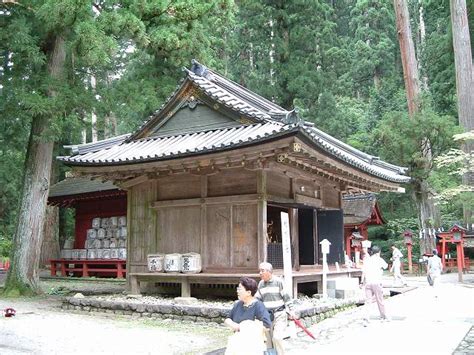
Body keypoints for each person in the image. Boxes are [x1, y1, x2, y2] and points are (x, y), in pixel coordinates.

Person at [224, 277, 271, 355]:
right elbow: (227, 319)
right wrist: (234, 325)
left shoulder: (258, 306)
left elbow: (267, 325)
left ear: (249, 292)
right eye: (237, 288)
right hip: (237, 342)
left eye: (240, 289)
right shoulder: (238, 304)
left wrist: (247, 327)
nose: (237, 291)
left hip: (252, 345)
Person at [256, 262, 296, 355]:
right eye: (259, 271)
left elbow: (287, 297)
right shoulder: (261, 284)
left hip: (279, 314)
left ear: (269, 272)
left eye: (262, 271)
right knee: (268, 341)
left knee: (277, 338)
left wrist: (292, 310)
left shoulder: (279, 282)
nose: (260, 273)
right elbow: (257, 299)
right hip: (267, 316)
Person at [360, 245, 389, 323]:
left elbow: (364, 271)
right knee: (380, 300)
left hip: (368, 283)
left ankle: (366, 318)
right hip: (376, 282)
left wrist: (362, 282)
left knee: (368, 301)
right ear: (378, 252)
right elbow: (386, 266)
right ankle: (383, 316)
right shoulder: (379, 259)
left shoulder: (367, 260)